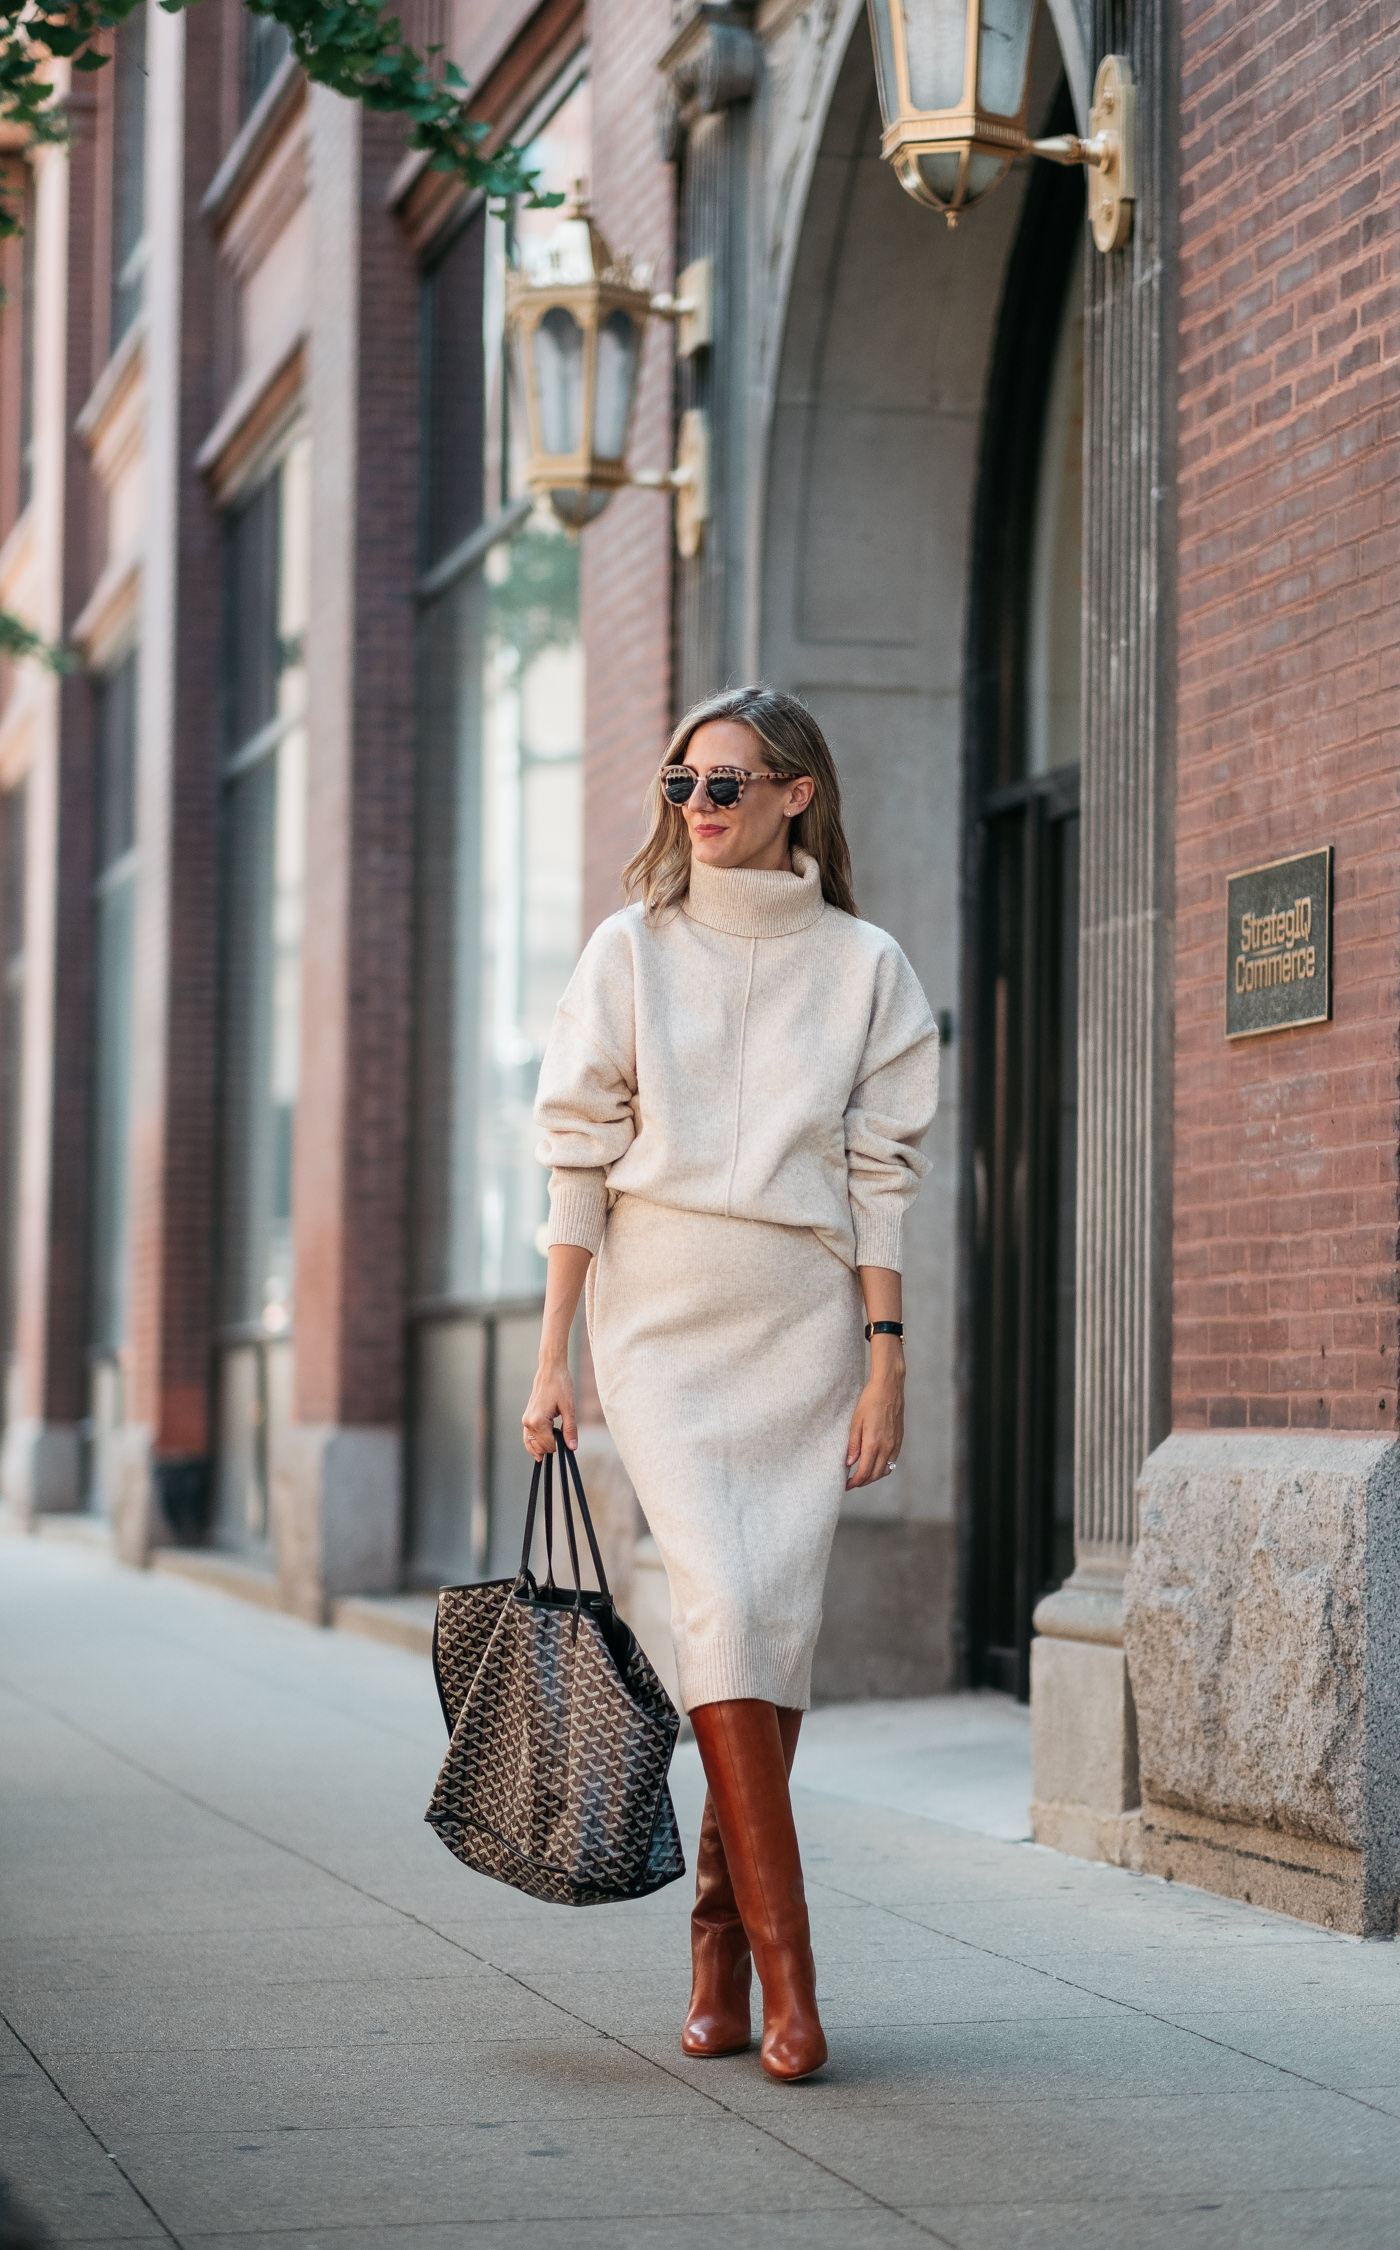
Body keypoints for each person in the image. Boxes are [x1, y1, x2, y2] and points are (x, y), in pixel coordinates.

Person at [522, 685, 938, 2081]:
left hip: (804, 1329)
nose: (698, 807)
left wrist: (887, 1363)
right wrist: (553, 1355)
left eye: (728, 784)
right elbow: (576, 1158)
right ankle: (791, 1977)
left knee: (775, 1620)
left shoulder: (869, 964)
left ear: (796, 794)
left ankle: (715, 1942)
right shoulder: (629, 951)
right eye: (684, 784)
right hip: (661, 1324)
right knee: (721, 1597)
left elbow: (883, 1181)